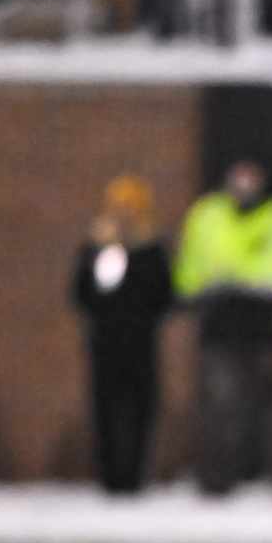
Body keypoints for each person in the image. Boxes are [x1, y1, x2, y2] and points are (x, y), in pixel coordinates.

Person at [173, 161, 272, 495]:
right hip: (223, 328)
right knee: (221, 408)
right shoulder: (207, 215)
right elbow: (187, 275)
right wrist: (203, 295)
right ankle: (217, 483)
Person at [70, 175, 175, 495]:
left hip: (142, 343)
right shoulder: (95, 247)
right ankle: (109, 477)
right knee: (105, 410)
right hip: (105, 343)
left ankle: (135, 477)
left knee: (142, 410)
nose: (125, 214)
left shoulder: (152, 248)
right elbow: (80, 294)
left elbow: (165, 296)